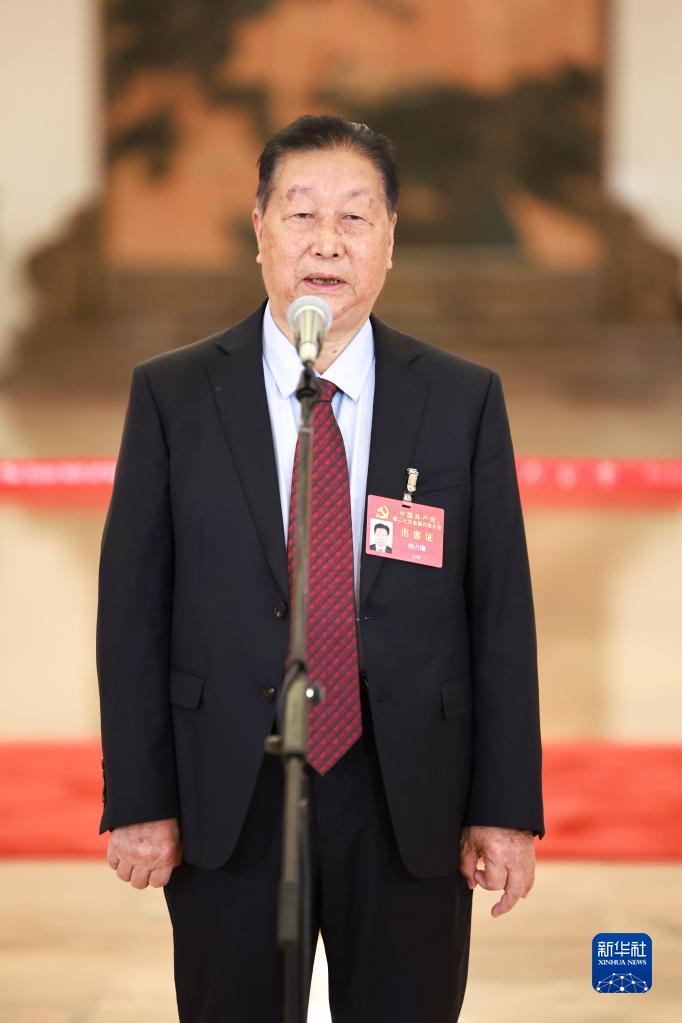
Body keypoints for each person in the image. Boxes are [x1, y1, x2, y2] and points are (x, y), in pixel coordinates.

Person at [97, 114, 544, 1023]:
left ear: (391, 240)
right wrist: (140, 798)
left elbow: (500, 614)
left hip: (408, 795)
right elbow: (132, 613)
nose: (327, 242)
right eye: (301, 214)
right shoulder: (175, 395)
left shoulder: (460, 398)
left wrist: (505, 807)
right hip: (232, 791)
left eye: (356, 216)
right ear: (259, 230)